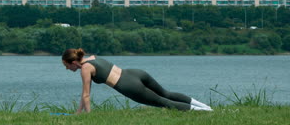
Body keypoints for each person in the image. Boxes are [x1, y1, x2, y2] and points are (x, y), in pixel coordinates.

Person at [62, 48, 213, 113]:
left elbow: (86, 95)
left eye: (67, 65)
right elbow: (85, 95)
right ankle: (206, 107)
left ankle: (206, 112)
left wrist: (88, 116)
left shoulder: (85, 69)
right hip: (135, 73)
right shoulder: (93, 58)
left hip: (128, 85)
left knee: (163, 102)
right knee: (166, 94)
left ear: (73, 62)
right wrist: (79, 112)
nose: (67, 69)